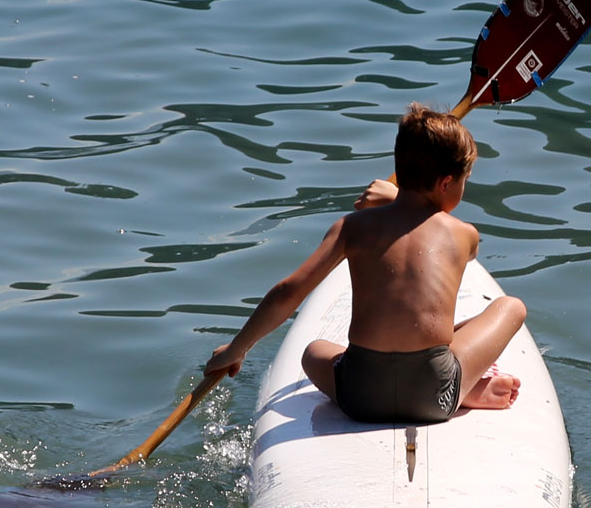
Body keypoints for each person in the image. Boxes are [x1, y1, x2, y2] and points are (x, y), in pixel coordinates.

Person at [203, 103, 523, 422]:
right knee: (510, 307)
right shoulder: (465, 234)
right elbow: (432, 228)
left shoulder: (351, 227)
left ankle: (461, 386)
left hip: (360, 393)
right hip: (434, 394)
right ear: (446, 182)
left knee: (313, 352)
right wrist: (396, 201)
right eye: (464, 180)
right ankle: (466, 390)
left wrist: (237, 348)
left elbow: (288, 292)